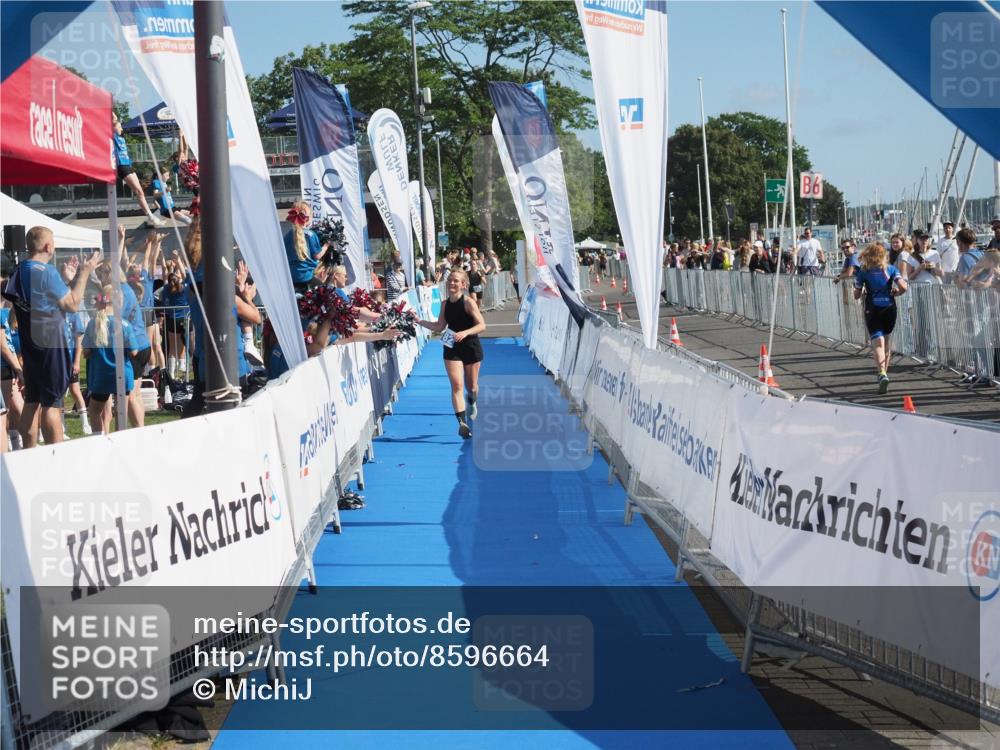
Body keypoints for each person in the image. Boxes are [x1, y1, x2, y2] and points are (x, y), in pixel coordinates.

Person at [2, 227, 101, 447]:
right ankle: (54, 457)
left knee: (32, 401)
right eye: (53, 241)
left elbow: (33, 301)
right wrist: (85, 271)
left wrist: (67, 281)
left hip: (31, 347)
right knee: (51, 405)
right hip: (51, 347)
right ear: (48, 246)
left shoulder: (19, 270)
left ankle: (29, 454)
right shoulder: (46, 271)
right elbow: (73, 304)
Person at [416, 268, 486, 439]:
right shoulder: (445, 304)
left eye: (456, 281)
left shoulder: (468, 302)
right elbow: (439, 327)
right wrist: (420, 321)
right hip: (452, 346)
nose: (452, 283)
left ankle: (472, 400)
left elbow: (482, 325)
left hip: (470, 345)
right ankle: (462, 423)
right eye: (450, 280)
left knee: (471, 387)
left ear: (463, 284)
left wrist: (466, 332)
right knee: (456, 385)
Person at [83, 285, 140, 435]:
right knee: (121, 414)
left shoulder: (92, 323)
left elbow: (86, 352)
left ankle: (98, 441)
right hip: (122, 375)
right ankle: (119, 444)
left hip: (101, 376)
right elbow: (134, 352)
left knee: (95, 411)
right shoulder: (125, 324)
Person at [854, 242, 908, 394]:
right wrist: (896, 293)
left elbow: (856, 295)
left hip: (872, 308)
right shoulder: (891, 269)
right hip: (889, 308)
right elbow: (903, 287)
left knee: (878, 343)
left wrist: (862, 289)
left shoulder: (863, 272)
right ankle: (885, 373)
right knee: (887, 343)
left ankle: (881, 373)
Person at [112, 113, 164, 227]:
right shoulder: (114, 136)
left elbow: (116, 121)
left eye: (120, 126)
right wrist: (110, 107)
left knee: (140, 191)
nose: (121, 128)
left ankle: (150, 216)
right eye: (119, 126)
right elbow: (114, 119)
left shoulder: (121, 137)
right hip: (121, 166)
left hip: (128, 165)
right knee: (138, 191)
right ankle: (150, 216)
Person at [283, 201, 327, 292]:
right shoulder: (311, 235)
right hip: (306, 277)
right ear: (308, 219)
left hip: (291, 278)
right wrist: (326, 246)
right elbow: (317, 255)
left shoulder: (287, 236)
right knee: (325, 293)